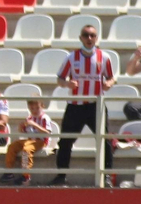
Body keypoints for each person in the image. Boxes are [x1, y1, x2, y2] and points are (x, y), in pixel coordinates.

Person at [47, 25, 115, 185]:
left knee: (104, 140)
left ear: (96, 38)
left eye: (92, 35)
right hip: (75, 105)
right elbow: (59, 79)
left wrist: (108, 84)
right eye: (86, 35)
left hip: (95, 106)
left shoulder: (104, 57)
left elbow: (111, 78)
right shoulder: (71, 57)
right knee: (65, 141)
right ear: (80, 38)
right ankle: (61, 175)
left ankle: (106, 176)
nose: (89, 38)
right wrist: (67, 84)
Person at [0, 97, 59, 186]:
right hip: (30, 140)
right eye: (32, 108)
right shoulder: (29, 117)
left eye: (37, 108)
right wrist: (21, 127)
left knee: (26, 150)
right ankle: (9, 171)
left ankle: (26, 176)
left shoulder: (44, 118)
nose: (34, 111)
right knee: (12, 146)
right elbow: (23, 131)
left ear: (42, 106)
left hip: (41, 141)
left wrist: (35, 125)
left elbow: (47, 132)